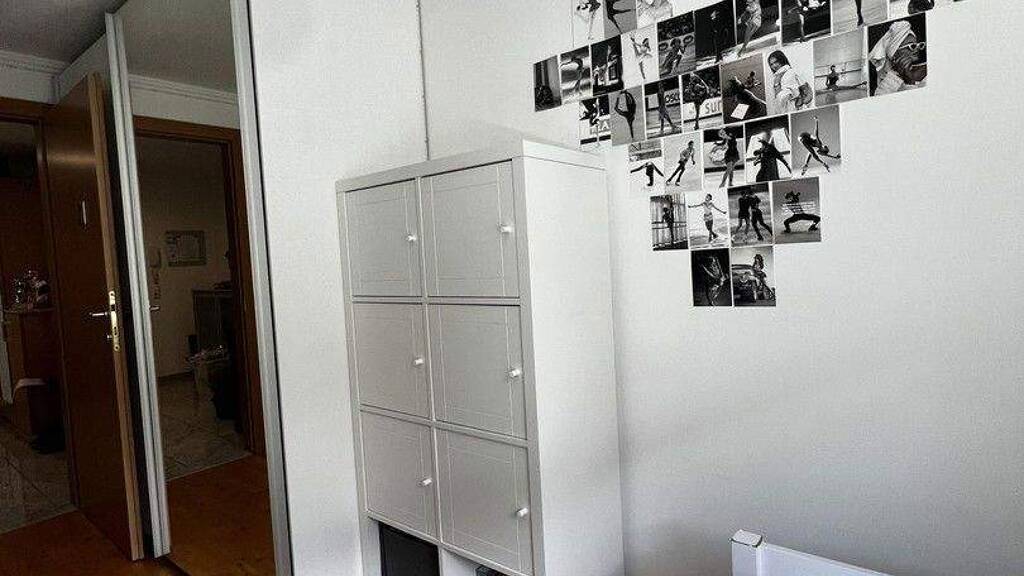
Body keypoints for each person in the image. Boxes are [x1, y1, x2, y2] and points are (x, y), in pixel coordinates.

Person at [869, 19, 927, 95]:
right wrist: (904, 80)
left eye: (919, 45)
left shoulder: (927, 68)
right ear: (894, 52)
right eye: (912, 46)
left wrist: (909, 81)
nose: (917, 49)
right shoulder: (889, 78)